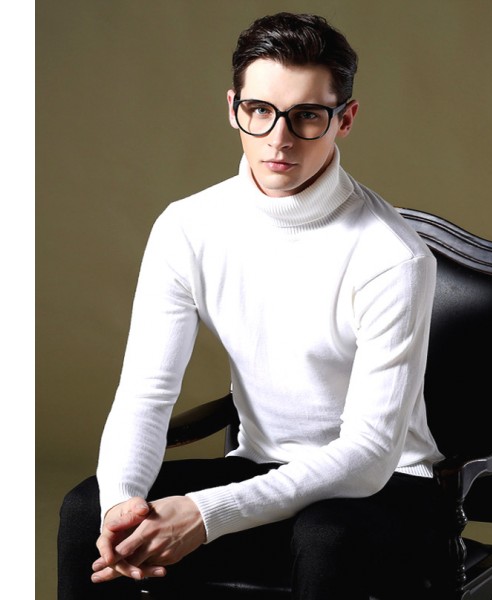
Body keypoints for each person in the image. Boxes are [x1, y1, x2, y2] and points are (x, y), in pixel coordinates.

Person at [58, 12, 444, 600]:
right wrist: (122, 506)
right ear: (233, 106)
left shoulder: (393, 256)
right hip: (262, 468)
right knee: (88, 511)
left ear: (345, 119)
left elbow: (368, 453)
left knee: (326, 538)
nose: (278, 139)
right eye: (259, 110)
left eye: (307, 115)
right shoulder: (188, 227)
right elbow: (146, 395)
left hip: (387, 484)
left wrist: (206, 513)